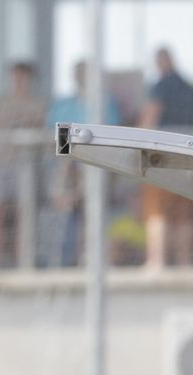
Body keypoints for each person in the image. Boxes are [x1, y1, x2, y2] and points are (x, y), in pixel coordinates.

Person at [44, 60, 119, 268]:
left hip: (94, 167)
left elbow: (109, 137)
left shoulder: (105, 103)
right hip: (67, 169)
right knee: (66, 213)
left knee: (92, 213)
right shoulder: (64, 104)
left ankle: (90, 257)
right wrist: (67, 167)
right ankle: (64, 259)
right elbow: (55, 137)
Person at [138, 48, 193, 268]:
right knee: (183, 215)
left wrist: (139, 142)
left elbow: (150, 116)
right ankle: (183, 261)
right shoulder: (189, 88)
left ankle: (156, 261)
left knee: (157, 213)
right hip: (188, 157)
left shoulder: (161, 86)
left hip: (161, 158)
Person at [0, 61, 45, 268]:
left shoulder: (37, 104)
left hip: (23, 167)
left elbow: (39, 130)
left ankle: (21, 260)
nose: (19, 80)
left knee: (21, 214)